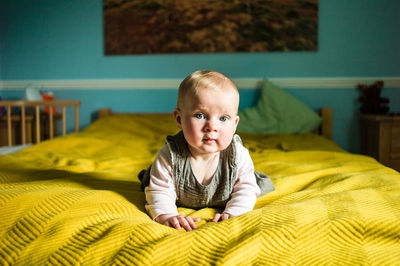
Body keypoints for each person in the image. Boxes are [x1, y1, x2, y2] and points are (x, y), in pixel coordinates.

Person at [139, 70, 274, 231]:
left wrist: (234, 212)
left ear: (235, 124)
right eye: (200, 115)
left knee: (252, 185)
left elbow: (245, 189)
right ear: (179, 119)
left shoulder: (238, 155)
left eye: (223, 118)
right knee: (152, 182)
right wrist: (166, 215)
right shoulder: (170, 155)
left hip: (231, 189)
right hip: (171, 184)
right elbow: (160, 190)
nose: (212, 127)